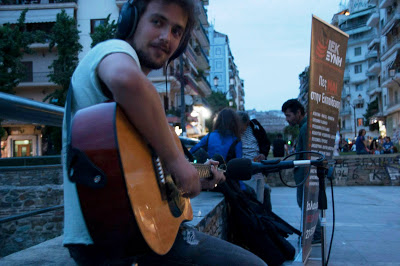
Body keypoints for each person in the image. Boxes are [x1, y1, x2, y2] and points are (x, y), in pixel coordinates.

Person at [62, 1, 266, 265]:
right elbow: (125, 80)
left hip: (142, 233)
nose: (166, 37)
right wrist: (178, 163)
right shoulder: (112, 50)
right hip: (112, 240)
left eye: (176, 31)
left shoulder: (139, 109)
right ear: (131, 21)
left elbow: (138, 172)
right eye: (157, 22)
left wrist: (196, 175)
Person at [281, 98, 321, 243]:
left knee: (307, 205)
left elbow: (308, 155)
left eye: (288, 115)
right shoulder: (304, 127)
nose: (287, 119)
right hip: (305, 176)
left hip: (306, 176)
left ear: (298, 113)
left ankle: (315, 235)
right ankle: (315, 234)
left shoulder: (305, 128)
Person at [237, 111, 272, 212]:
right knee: (249, 196)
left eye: (241, 125)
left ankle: (260, 216)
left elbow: (265, 142)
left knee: (259, 195)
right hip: (244, 168)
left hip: (258, 167)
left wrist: (263, 154)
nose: (240, 128)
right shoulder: (234, 132)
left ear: (247, 123)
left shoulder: (255, 127)